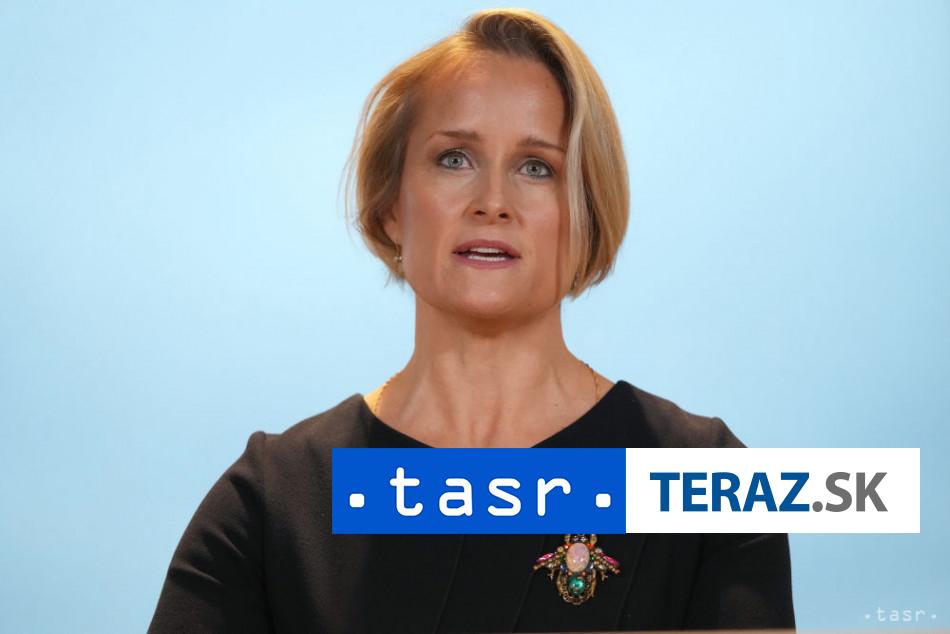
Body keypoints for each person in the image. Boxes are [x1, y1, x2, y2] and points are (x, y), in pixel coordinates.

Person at [148, 8, 795, 633]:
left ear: (587, 213)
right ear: (391, 206)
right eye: (454, 158)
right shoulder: (271, 503)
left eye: (537, 168)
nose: (492, 202)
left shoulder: (708, 483)